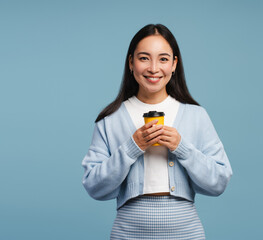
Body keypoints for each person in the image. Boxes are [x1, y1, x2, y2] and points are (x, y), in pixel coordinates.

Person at [81, 24, 233, 239]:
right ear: (131, 62)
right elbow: (94, 187)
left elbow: (219, 182)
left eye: (163, 59)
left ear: (174, 64)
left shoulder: (196, 115)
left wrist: (183, 148)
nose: (154, 68)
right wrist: (132, 148)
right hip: (128, 233)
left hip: (186, 233)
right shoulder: (110, 120)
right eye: (144, 58)